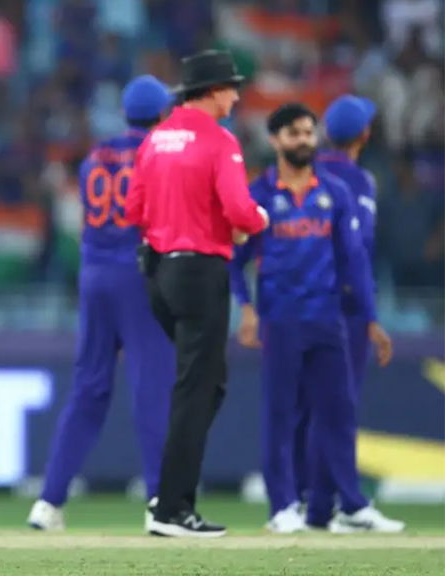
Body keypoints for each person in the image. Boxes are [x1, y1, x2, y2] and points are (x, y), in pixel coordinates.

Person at [230, 102, 404, 534]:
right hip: (281, 319)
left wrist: (370, 318)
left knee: (338, 413)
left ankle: (353, 504)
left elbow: (354, 261)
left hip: (327, 319)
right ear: (275, 140)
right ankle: (282, 507)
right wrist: (246, 309)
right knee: (282, 414)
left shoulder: (335, 193)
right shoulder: (260, 196)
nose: (303, 140)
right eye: (294, 133)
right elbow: (235, 259)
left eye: (308, 133)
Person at [125, 49, 269, 538]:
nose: (236, 94)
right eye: (231, 86)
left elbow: (133, 208)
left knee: (207, 382)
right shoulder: (219, 140)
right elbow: (240, 209)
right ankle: (171, 510)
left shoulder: (157, 139)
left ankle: (168, 494)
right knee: (196, 388)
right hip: (201, 272)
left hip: (159, 274)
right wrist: (259, 220)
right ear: (211, 92)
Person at [27, 76, 177, 532]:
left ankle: (49, 502)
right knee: (152, 387)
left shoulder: (96, 156)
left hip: (94, 275)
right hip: (138, 274)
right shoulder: (160, 154)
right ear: (161, 114)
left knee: (89, 388)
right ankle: (161, 502)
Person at [297, 95, 394, 529]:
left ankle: (316, 505)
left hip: (303, 301)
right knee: (337, 408)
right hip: (345, 307)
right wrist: (370, 314)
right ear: (365, 135)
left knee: (313, 408)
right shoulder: (361, 181)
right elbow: (360, 251)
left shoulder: (307, 174)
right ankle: (339, 504)